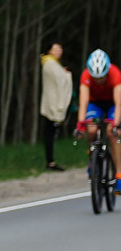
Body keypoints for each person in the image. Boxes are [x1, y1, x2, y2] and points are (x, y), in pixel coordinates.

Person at [81, 49, 118, 173]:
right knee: (91, 129)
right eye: (95, 78)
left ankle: (119, 174)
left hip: (112, 103)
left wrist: (115, 123)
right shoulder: (85, 75)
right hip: (95, 103)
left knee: (111, 133)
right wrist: (81, 123)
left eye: (102, 77)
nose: (99, 81)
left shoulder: (115, 73)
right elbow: (83, 102)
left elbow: (119, 102)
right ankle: (92, 157)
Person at [41, 42, 73, 171]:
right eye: (56, 49)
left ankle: (51, 161)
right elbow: (60, 82)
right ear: (49, 51)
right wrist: (67, 75)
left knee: (50, 133)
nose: (59, 50)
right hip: (54, 105)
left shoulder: (51, 64)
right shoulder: (50, 64)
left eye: (60, 48)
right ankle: (50, 162)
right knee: (50, 133)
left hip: (51, 104)